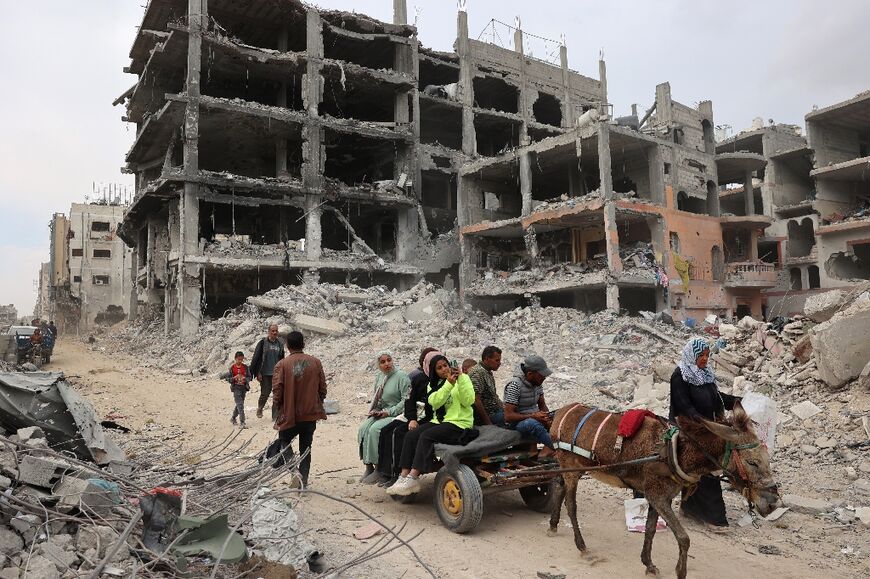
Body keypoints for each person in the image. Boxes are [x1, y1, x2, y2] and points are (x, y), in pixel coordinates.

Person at [670, 337, 740, 532]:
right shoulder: (680, 375)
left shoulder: (706, 374)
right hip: (688, 426)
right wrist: (703, 423)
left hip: (708, 427)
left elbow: (717, 397)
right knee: (707, 463)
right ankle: (714, 516)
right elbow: (683, 405)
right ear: (691, 355)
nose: (705, 359)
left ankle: (690, 507)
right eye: (701, 355)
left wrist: (736, 402)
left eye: (708, 355)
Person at [387, 354, 478, 496]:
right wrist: (448, 385)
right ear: (434, 371)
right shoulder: (433, 384)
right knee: (411, 435)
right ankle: (403, 476)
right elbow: (434, 402)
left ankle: (413, 477)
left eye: (445, 366)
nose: (443, 369)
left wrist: (459, 381)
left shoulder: (463, 378)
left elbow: (468, 400)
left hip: (459, 423)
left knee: (426, 436)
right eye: (439, 368)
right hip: (440, 421)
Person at [376, 347, 438, 486]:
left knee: (398, 433)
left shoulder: (439, 380)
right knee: (386, 431)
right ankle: (384, 471)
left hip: (427, 418)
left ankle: (397, 473)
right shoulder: (419, 378)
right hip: (415, 415)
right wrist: (412, 418)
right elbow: (410, 400)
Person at [272, 331, 327, 487]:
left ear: (287, 346)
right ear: (303, 344)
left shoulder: (282, 365)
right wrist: (317, 403)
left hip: (290, 414)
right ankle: (304, 480)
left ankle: (293, 470)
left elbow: (277, 390)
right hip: (310, 414)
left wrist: (280, 407)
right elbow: (322, 388)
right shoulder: (315, 362)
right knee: (306, 447)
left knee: (284, 441)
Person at [358, 351, 411, 484]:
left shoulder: (402, 377)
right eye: (383, 362)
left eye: (389, 360)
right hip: (383, 412)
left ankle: (378, 468)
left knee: (375, 429)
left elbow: (406, 401)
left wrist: (389, 411)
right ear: (379, 365)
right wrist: (376, 410)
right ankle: (368, 466)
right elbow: (379, 398)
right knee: (363, 428)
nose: (387, 364)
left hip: (398, 413)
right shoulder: (380, 377)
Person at [503, 355, 555, 457]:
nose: (544, 378)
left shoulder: (537, 383)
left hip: (533, 417)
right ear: (530, 374)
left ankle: (550, 447)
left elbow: (542, 405)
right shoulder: (514, 385)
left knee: (558, 415)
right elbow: (508, 417)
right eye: (541, 375)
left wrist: (547, 417)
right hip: (517, 424)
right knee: (532, 424)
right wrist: (533, 416)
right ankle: (559, 449)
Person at [250, 324, 285, 419]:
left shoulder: (280, 344)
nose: (274, 332)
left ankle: (275, 415)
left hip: (277, 374)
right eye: (272, 331)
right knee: (265, 393)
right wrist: (257, 372)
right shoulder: (262, 343)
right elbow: (256, 358)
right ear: (268, 331)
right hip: (265, 373)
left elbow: (282, 359)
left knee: (277, 394)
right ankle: (260, 408)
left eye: (276, 331)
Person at [468, 345, 504, 426]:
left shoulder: (487, 371)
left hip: (496, 411)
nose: (499, 363)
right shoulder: (478, 373)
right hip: (488, 416)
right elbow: (476, 400)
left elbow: (493, 395)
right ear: (487, 359)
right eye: (497, 360)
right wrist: (488, 423)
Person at [227, 351, 252, 429]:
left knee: (239, 404)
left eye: (241, 359)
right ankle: (242, 422)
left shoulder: (245, 367)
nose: (240, 361)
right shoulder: (232, 368)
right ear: (235, 359)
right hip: (236, 388)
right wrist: (234, 378)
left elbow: (250, 377)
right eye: (238, 359)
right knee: (240, 405)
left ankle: (233, 418)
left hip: (243, 388)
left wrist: (245, 378)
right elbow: (228, 379)